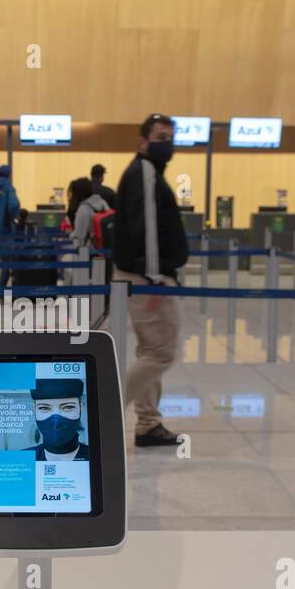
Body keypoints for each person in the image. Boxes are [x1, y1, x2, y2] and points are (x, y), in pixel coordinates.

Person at [113, 113, 188, 448]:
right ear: (142, 142)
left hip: (142, 275)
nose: (166, 143)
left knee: (150, 350)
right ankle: (107, 412)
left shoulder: (148, 172)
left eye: (170, 137)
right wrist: (155, 278)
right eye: (159, 137)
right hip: (146, 277)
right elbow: (147, 230)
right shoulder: (144, 172)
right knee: (161, 353)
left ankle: (147, 423)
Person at [22, 378, 91, 461]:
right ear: (35, 410)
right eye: (44, 408)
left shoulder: (96, 456)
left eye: (68, 407)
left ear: (80, 408)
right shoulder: (20, 460)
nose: (56, 421)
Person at [68, 176, 109, 249]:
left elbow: (79, 236)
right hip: (107, 248)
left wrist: (69, 235)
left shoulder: (83, 208)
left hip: (92, 251)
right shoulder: (102, 202)